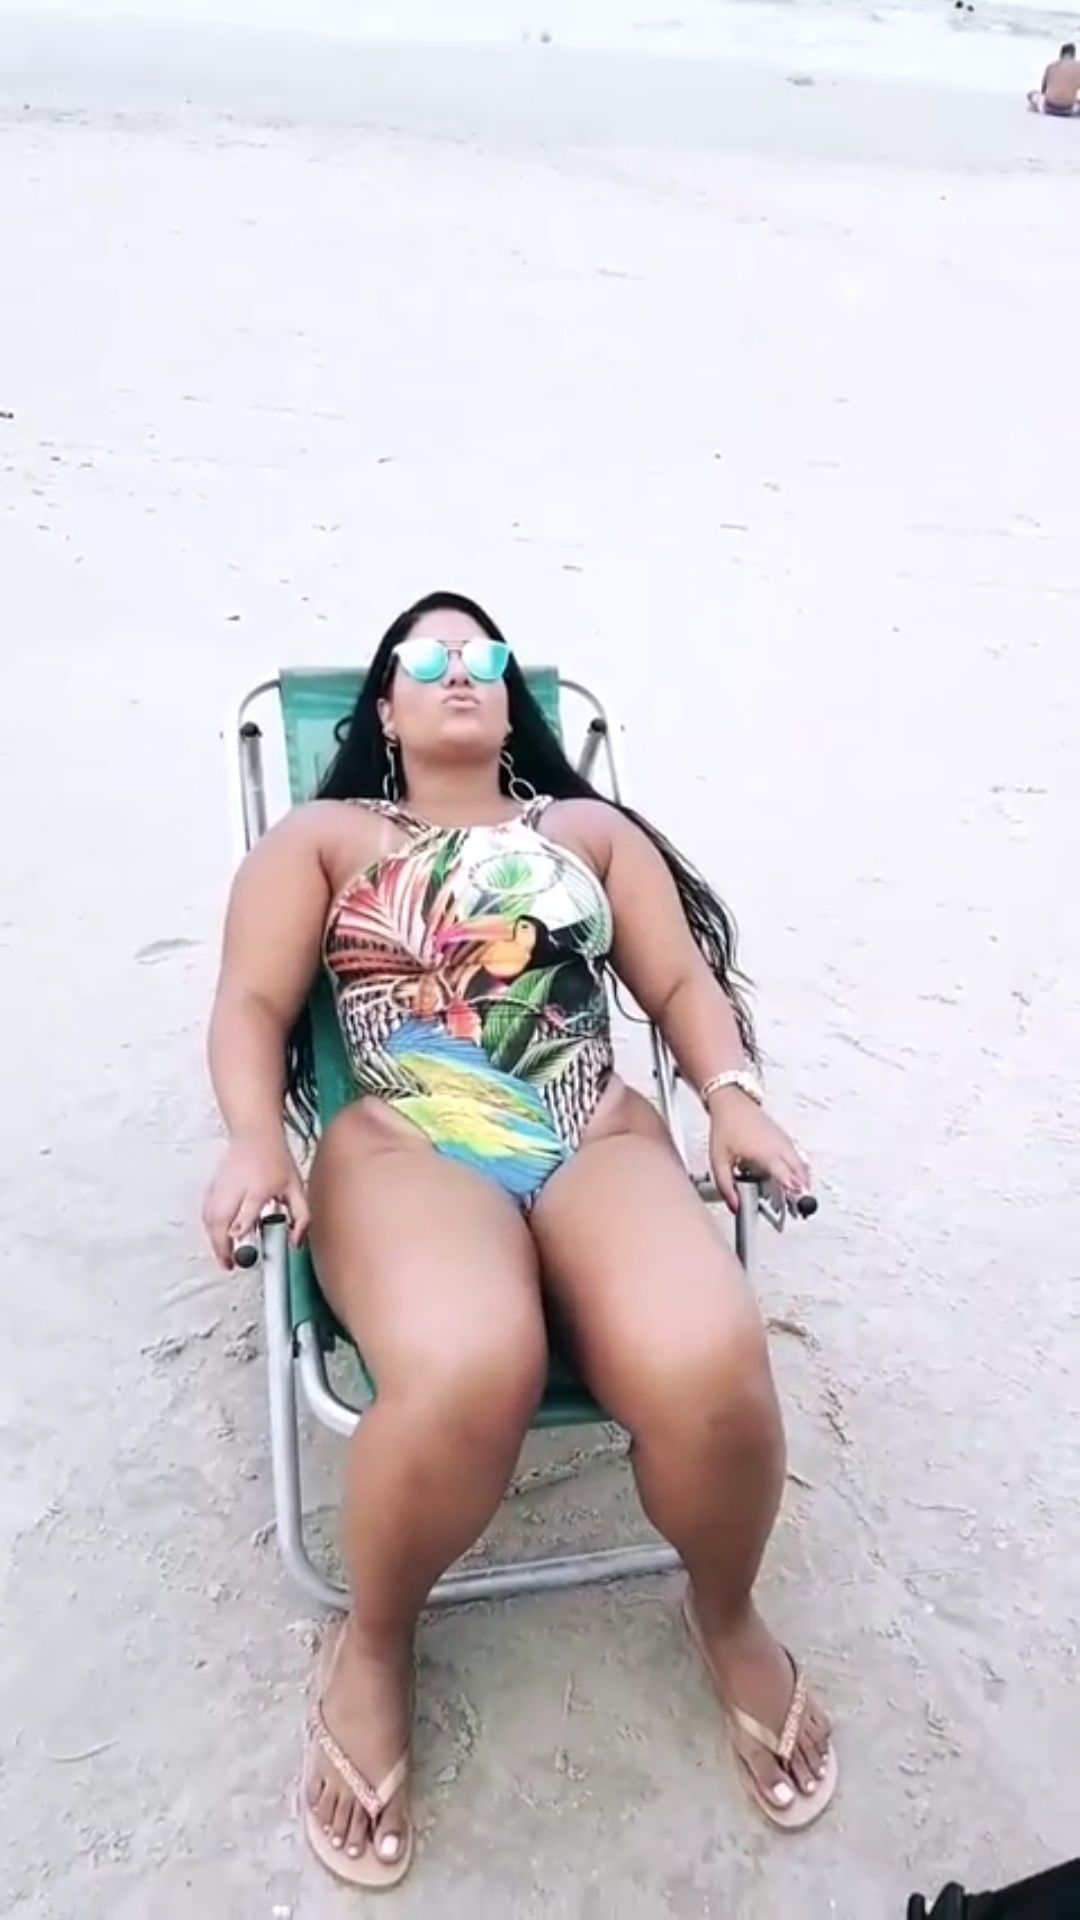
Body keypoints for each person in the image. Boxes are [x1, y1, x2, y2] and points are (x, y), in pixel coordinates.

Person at [202, 590, 838, 1890]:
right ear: (384, 707)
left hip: (588, 1130)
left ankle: (724, 1609)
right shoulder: (324, 837)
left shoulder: (589, 834)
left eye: (483, 655)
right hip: (408, 1139)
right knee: (467, 1364)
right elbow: (254, 1001)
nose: (460, 669)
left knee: (713, 1361)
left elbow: (679, 984)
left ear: (510, 704)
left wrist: (733, 1101)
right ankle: (375, 1641)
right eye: (427, 656)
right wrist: (257, 1142)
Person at [1028, 43, 1080, 115]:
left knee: (1031, 94)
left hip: (1048, 106)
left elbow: (1043, 90)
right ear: (1073, 55)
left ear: (1061, 54)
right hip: (1068, 109)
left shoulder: (1051, 66)